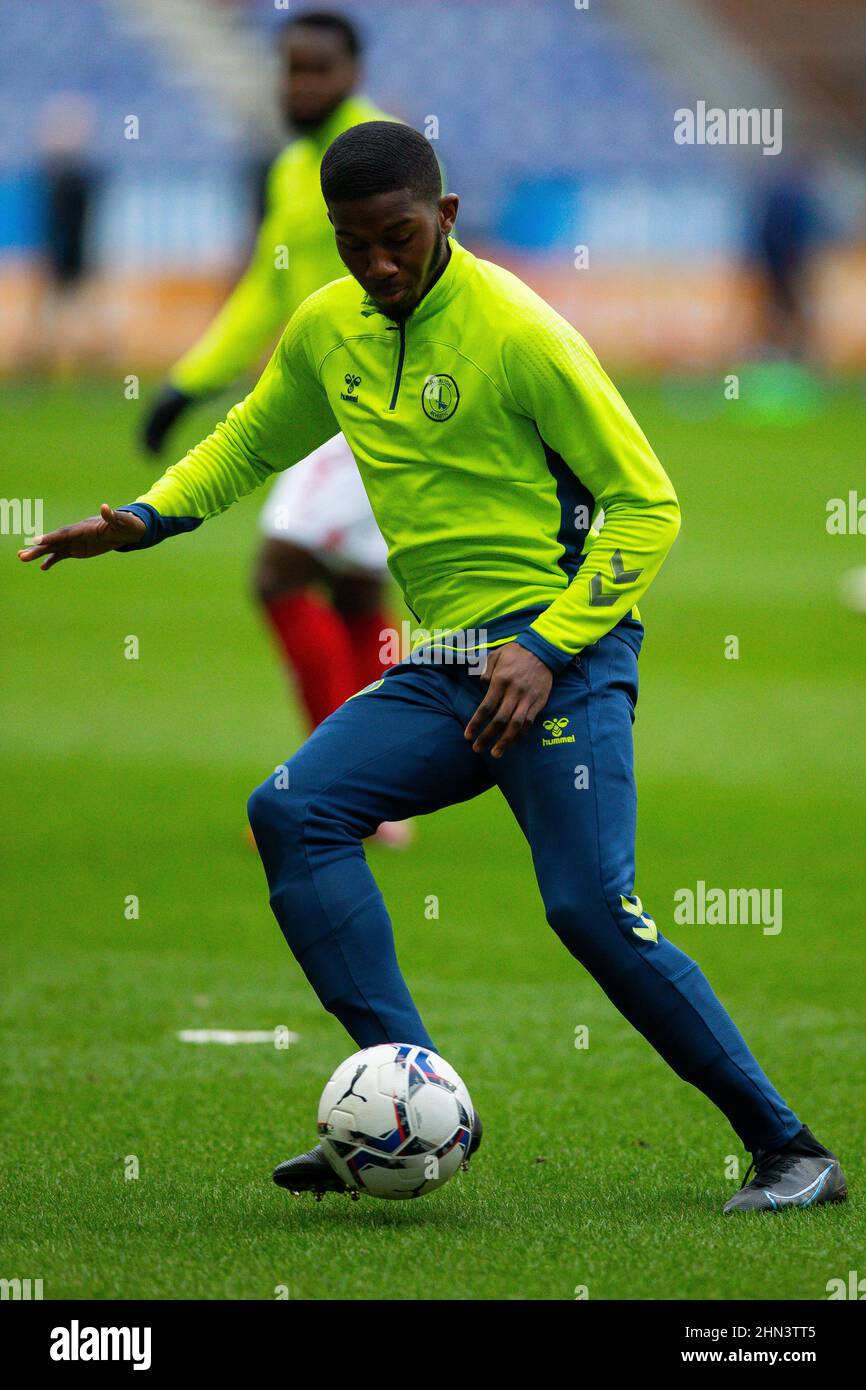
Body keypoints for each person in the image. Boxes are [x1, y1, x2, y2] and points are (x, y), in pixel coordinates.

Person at [20, 122, 846, 1214]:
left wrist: (548, 646)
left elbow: (647, 505)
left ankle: (790, 1149)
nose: (378, 265)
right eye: (355, 244)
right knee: (294, 809)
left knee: (588, 910)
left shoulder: (518, 331)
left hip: (566, 653)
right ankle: (410, 1103)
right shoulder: (331, 326)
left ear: (443, 218)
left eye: (398, 238)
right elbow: (254, 438)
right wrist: (143, 514)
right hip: (449, 658)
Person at [143, 12, 402, 788]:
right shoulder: (295, 167)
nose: (299, 85)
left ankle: (340, 786)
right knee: (356, 585)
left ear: (353, 74)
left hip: (370, 400)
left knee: (279, 570)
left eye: (316, 70)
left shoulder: (381, 153)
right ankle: (383, 786)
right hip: (322, 398)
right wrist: (188, 381)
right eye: (290, 69)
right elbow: (266, 289)